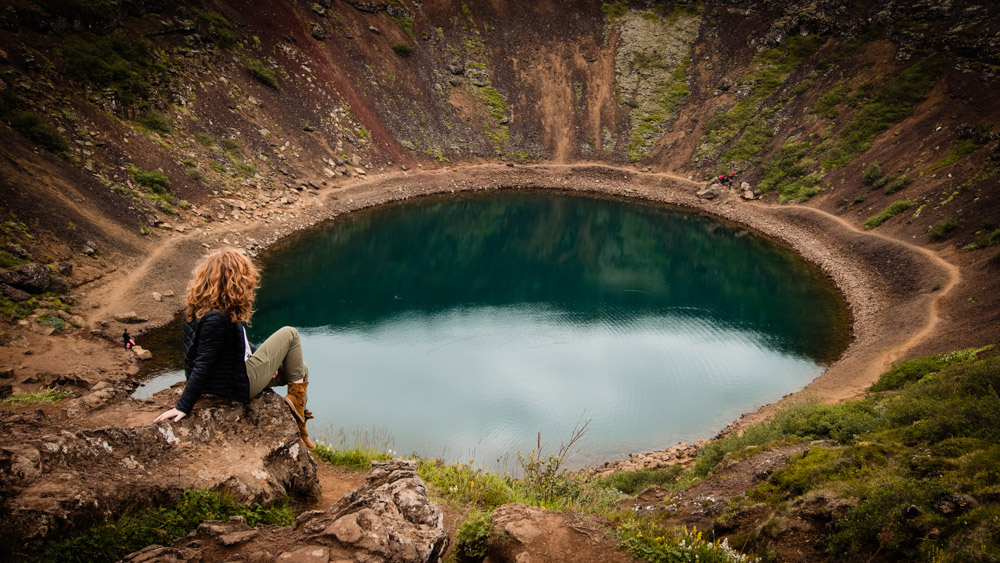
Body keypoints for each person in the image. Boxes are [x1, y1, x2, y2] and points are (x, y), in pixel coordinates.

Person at [154, 248, 315, 448]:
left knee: (301, 368)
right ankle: (298, 410)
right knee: (290, 333)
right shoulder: (219, 319)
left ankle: (299, 423)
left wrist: (269, 361)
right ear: (235, 282)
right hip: (236, 385)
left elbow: (241, 346)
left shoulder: (199, 310)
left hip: (227, 379)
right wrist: (183, 406)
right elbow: (204, 362)